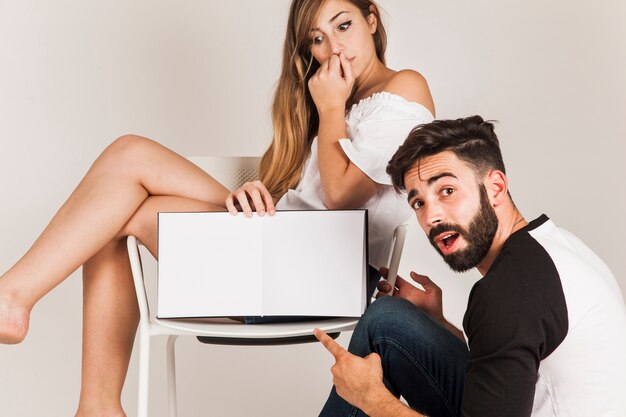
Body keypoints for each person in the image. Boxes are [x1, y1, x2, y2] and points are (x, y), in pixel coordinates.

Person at [0, 0, 436, 415]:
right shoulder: (337, 99)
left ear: (372, 20)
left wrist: (329, 107)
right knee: (111, 208)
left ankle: (15, 301)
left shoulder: (403, 86)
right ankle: (93, 403)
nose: (334, 48)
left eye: (344, 26)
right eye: (316, 40)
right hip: (287, 250)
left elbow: (342, 196)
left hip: (321, 274)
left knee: (127, 161)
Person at [315, 115, 626, 417]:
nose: (431, 216)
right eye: (419, 203)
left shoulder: (508, 293)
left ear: (495, 187)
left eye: (446, 191)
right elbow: (508, 369)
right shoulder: (553, 245)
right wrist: (441, 326)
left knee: (380, 335)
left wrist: (373, 400)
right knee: (387, 321)